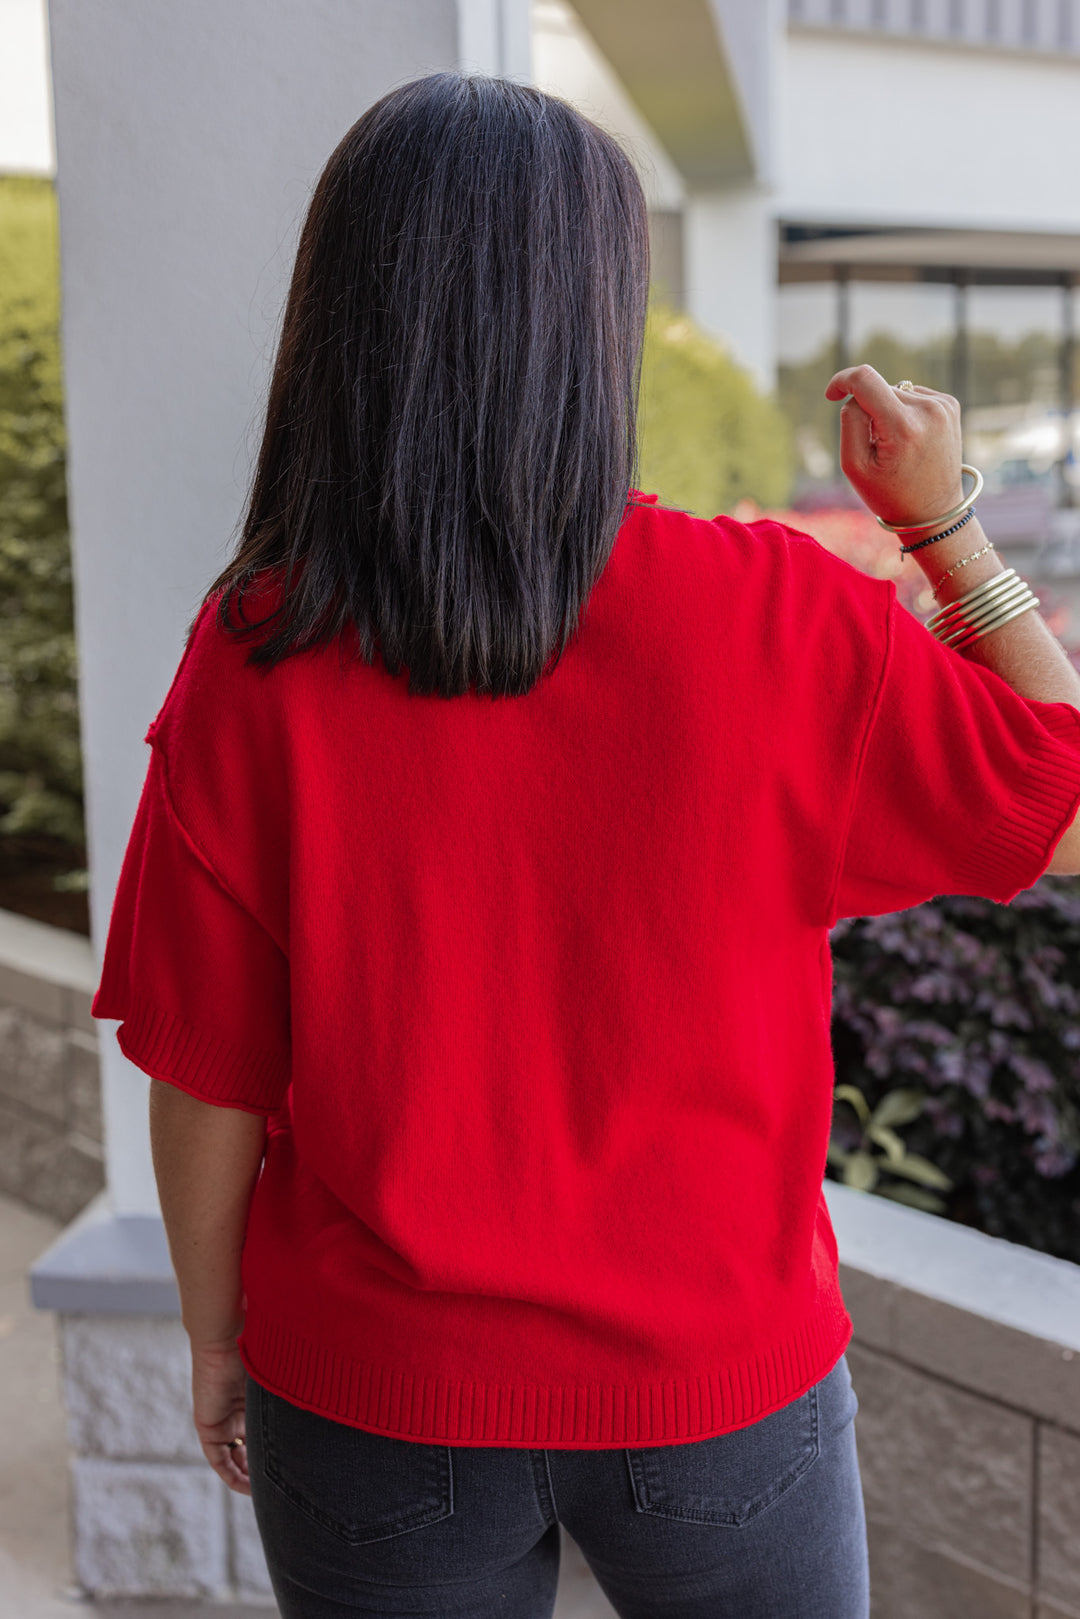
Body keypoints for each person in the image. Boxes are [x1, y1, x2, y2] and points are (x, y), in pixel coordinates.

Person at [89, 71, 1080, 1619]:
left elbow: (207, 1068)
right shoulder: (772, 619)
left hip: (369, 1394)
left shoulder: (260, 652)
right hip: (719, 1390)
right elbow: (1055, 799)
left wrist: (218, 1339)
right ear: (593, 321)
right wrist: (949, 525)